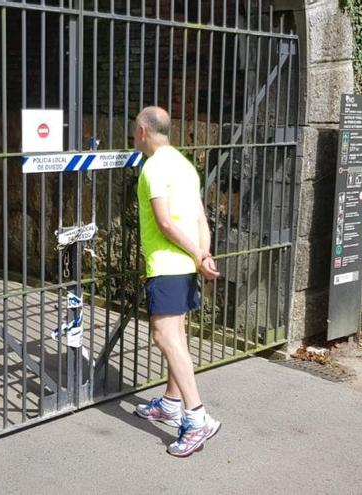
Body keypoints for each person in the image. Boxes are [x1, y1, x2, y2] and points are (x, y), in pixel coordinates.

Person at [131, 106, 222, 458]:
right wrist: (203, 253)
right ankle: (170, 403)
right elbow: (201, 216)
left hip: (167, 264)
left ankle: (197, 417)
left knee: (164, 336)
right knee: (178, 336)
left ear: (142, 131)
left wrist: (198, 256)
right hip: (186, 263)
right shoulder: (185, 165)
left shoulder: (153, 168)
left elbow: (166, 223)